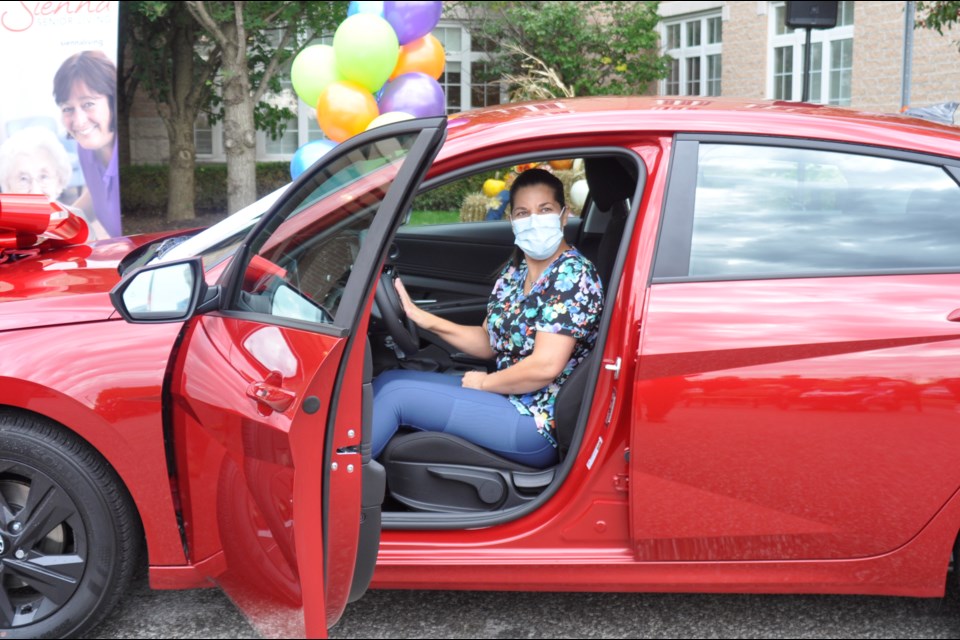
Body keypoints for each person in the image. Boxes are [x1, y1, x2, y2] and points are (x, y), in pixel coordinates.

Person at [372, 168, 604, 468]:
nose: (534, 220)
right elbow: (488, 343)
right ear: (512, 221)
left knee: (396, 396)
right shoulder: (516, 273)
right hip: (507, 396)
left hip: (536, 420)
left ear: (563, 215)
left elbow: (545, 366)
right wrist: (422, 318)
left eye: (544, 210)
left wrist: (485, 383)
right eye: (523, 213)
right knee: (389, 379)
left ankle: (333, 493)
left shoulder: (572, 275)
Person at [53, 50, 120, 237]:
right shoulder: (86, 149)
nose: (79, 121)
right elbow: (99, 194)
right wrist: (49, 228)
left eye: (88, 104)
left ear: (113, 102)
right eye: (68, 108)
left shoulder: (133, 154)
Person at [0, 126, 109, 240]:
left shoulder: (76, 221)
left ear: (59, 181)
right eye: (23, 179)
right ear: (8, 185)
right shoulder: (4, 231)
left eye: (44, 177)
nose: (35, 190)